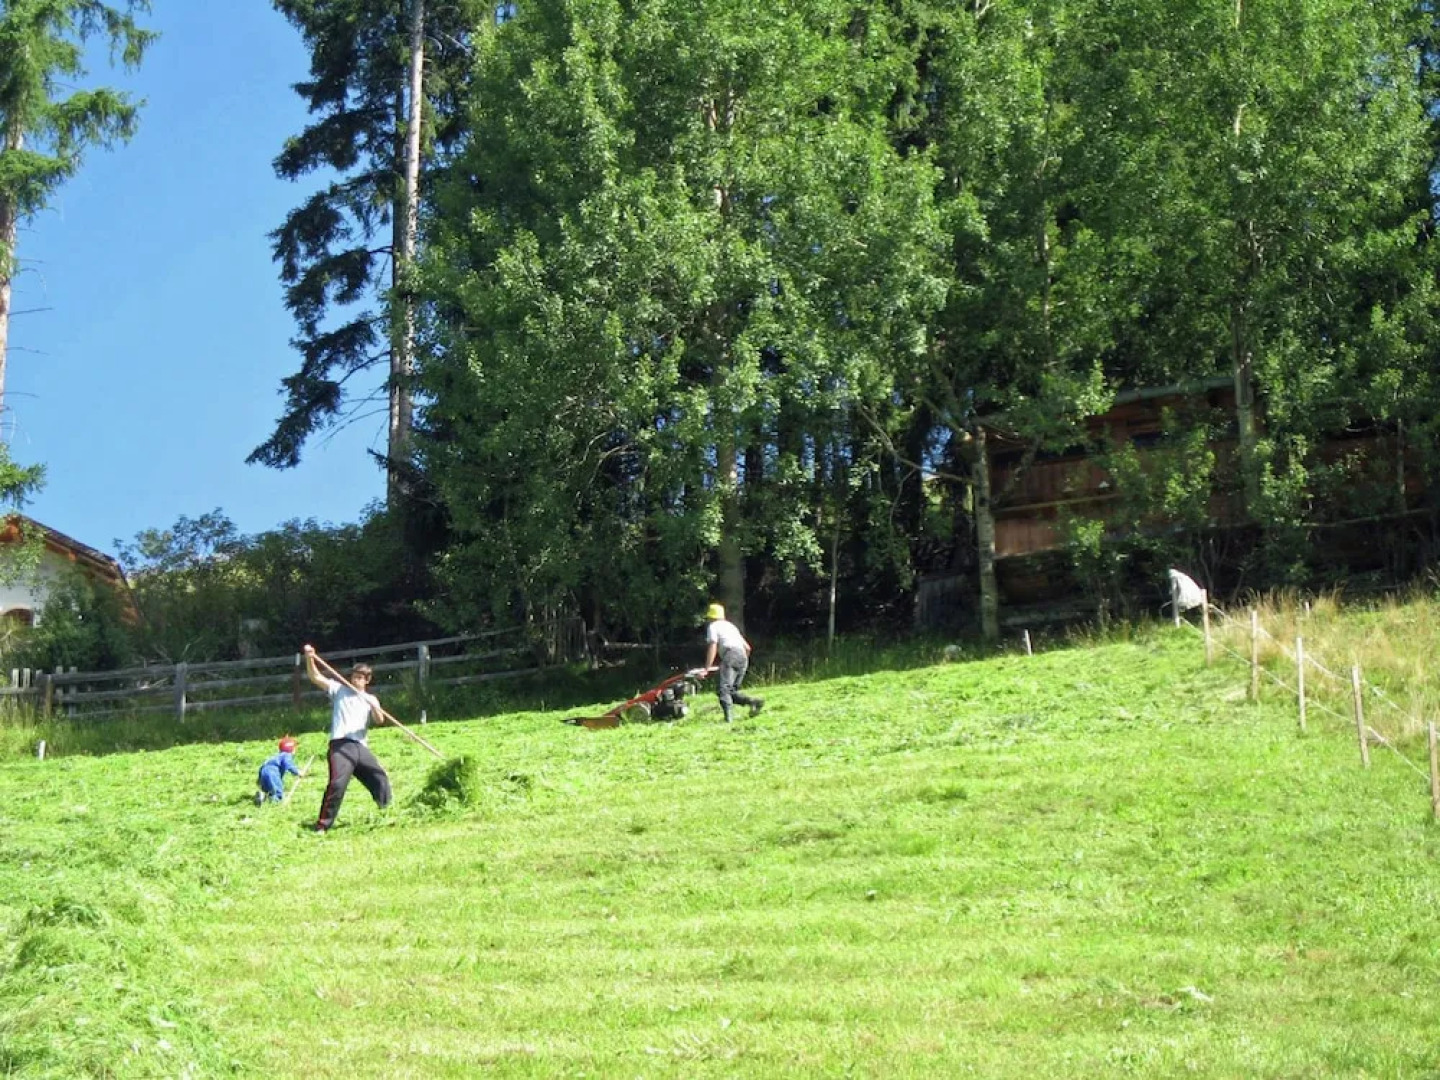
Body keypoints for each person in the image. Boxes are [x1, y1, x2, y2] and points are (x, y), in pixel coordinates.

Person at [303, 644, 393, 832]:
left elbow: (380, 720)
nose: (356, 680)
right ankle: (322, 826)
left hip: (360, 746)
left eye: (361, 678)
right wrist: (310, 657)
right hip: (340, 745)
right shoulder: (339, 690)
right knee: (337, 783)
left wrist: (375, 707)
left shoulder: (371, 698)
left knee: (380, 777)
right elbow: (315, 677)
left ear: (367, 681)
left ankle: (387, 811)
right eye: (354, 676)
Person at [702, 602, 764, 723]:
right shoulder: (731, 626)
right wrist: (740, 661)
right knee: (731, 692)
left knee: (723, 690)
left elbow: (713, 645)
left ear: (711, 617)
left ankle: (729, 720)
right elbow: (748, 648)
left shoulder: (713, 626)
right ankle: (754, 702)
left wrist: (707, 668)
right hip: (743, 657)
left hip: (731, 654)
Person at [255, 736, 305, 805]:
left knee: (268, 790)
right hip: (272, 772)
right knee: (277, 790)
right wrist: (297, 772)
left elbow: (263, 766)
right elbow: (289, 764)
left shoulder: (276, 756)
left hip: (264, 771)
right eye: (295, 748)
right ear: (291, 749)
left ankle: (262, 796)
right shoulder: (286, 755)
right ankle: (276, 803)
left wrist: (259, 779)